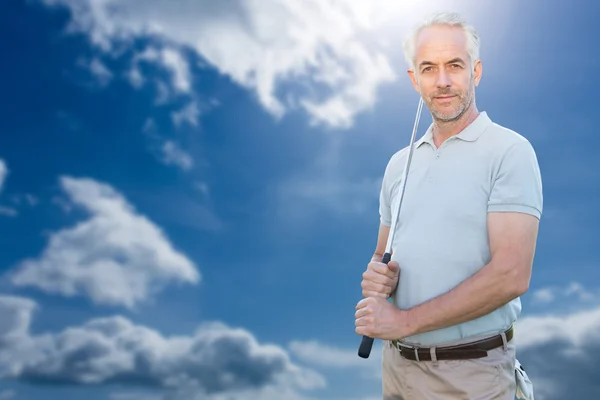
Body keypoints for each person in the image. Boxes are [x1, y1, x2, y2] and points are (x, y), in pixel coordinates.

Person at [354, 11, 542, 400]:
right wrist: (377, 276)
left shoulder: (509, 151)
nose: (442, 81)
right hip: (397, 371)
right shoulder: (397, 164)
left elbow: (511, 275)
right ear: (414, 79)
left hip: (471, 376)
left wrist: (402, 321)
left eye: (454, 66)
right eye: (428, 68)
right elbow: (381, 256)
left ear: (475, 72)